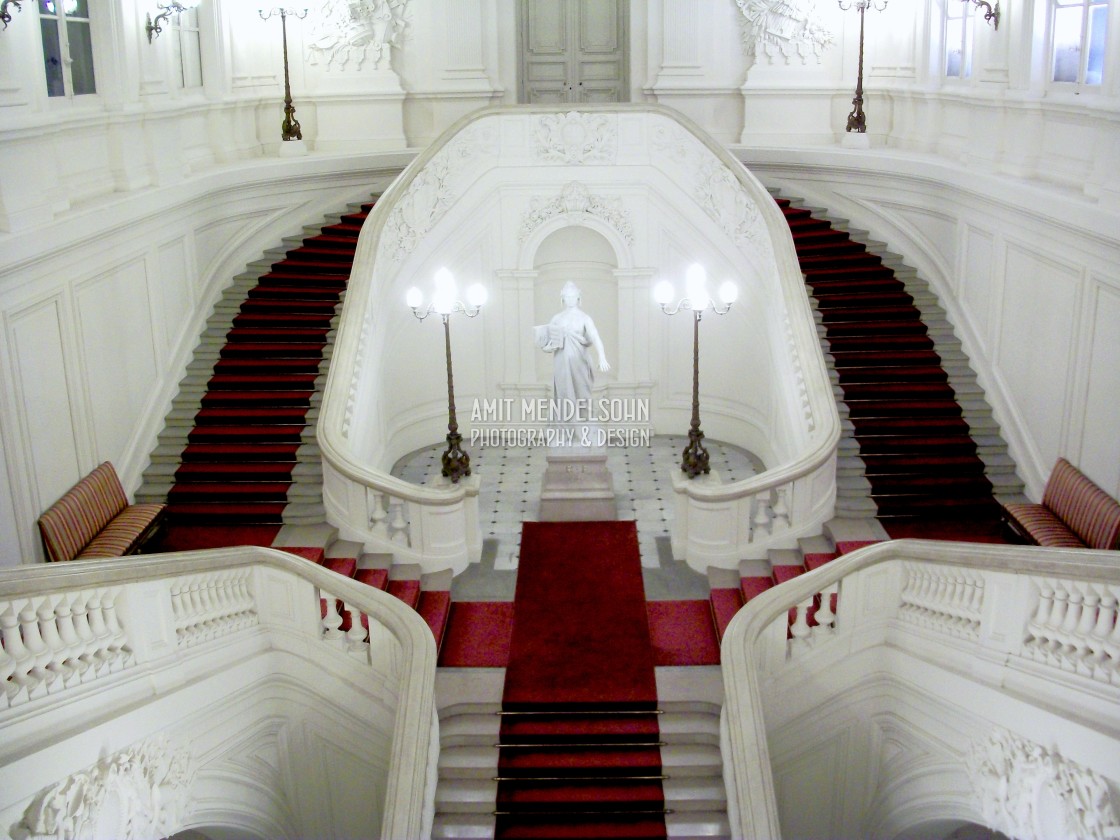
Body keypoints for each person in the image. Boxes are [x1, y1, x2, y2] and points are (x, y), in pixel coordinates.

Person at [535, 282, 610, 412]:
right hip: (561, 363)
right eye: (567, 297)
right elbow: (547, 341)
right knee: (564, 394)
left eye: (573, 296)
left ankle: (582, 424)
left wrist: (602, 357)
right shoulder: (557, 318)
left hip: (579, 362)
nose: (570, 299)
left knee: (582, 392)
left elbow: (595, 337)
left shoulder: (584, 318)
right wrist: (546, 347)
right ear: (562, 298)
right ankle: (566, 426)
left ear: (578, 297)